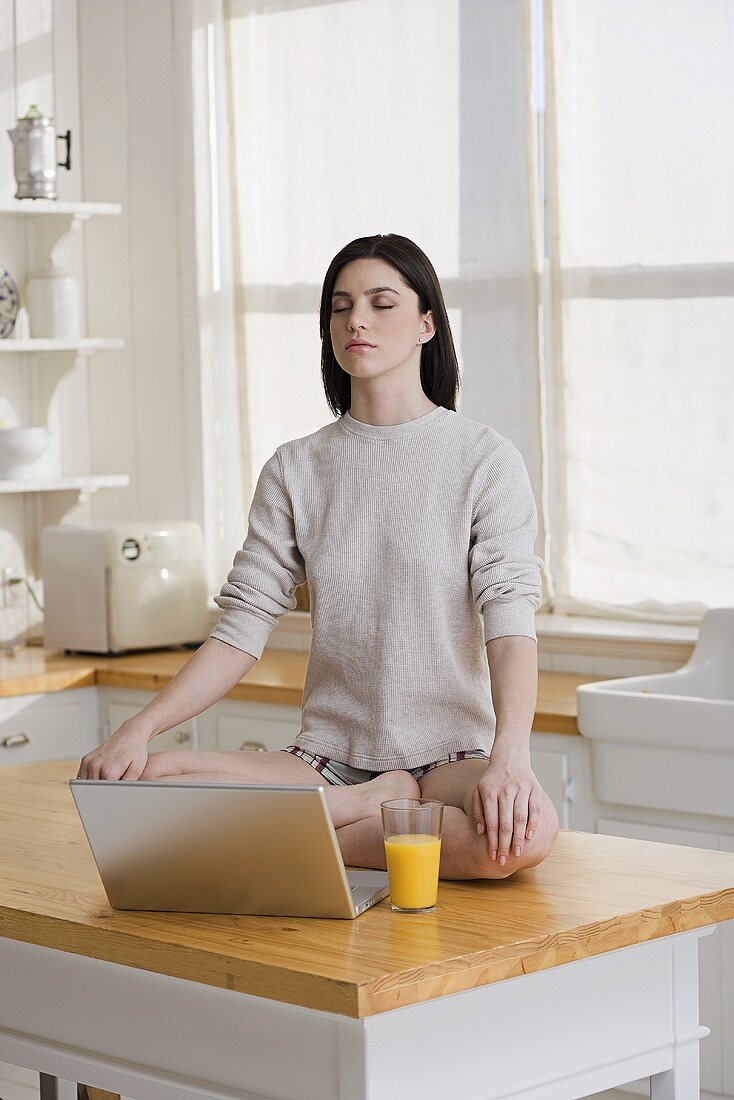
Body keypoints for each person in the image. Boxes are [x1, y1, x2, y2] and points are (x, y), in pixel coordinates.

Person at [77, 233, 559, 880]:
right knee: (145, 778)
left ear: (426, 324)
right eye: (340, 305)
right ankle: (361, 805)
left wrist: (511, 757)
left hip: (450, 762)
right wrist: (139, 728)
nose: (356, 319)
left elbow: (509, 620)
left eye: (381, 303)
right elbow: (241, 628)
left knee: (523, 837)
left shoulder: (484, 461)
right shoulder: (297, 469)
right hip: (325, 761)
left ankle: (321, 831)